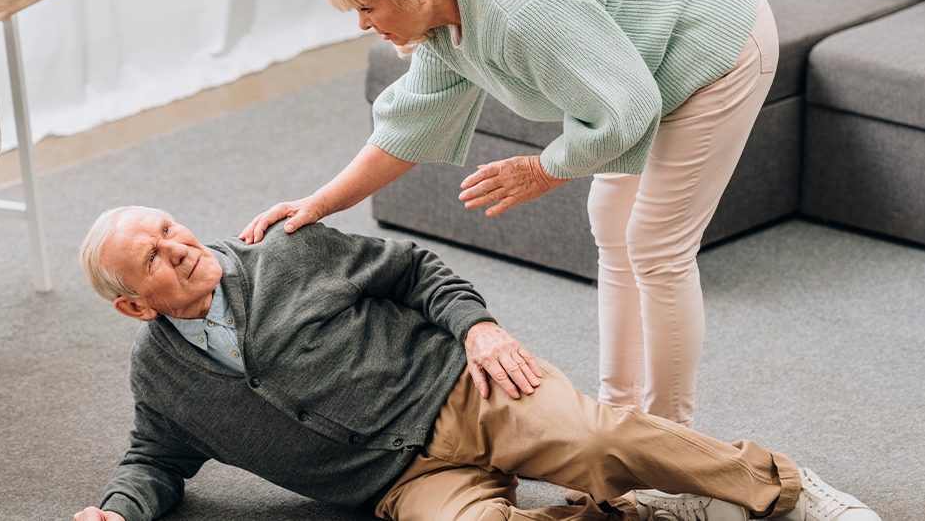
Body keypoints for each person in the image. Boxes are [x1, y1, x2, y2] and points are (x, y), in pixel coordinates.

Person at [241, 0, 779, 429]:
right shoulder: (443, 12)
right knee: (612, 224)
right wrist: (320, 202)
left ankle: (671, 443)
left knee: (656, 248)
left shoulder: (518, 8)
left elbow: (627, 107)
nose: (361, 24)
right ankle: (620, 423)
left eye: (369, 5)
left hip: (716, 36)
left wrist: (545, 169)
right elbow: (409, 126)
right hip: (643, 56)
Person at [73, 206, 877, 521]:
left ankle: (781, 487)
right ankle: (642, 514)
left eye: (172, 230)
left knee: (596, 444)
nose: (181, 249)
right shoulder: (160, 378)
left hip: (471, 390)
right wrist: (116, 510)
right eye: (154, 257)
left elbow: (416, 271)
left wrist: (479, 328)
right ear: (133, 305)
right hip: (399, 484)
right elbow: (155, 457)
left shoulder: (287, 250)